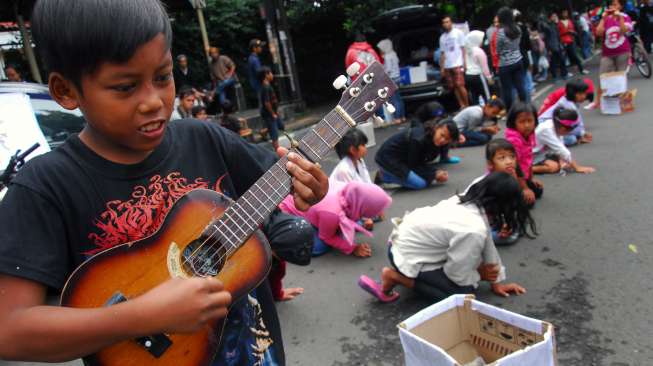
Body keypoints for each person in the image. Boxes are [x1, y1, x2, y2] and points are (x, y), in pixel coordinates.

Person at [0, 1, 329, 365]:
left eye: (163, 77)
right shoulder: (46, 186)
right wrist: (142, 316)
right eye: (125, 87)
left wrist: (311, 186)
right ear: (65, 91)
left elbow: (285, 178)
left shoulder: (206, 139)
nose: (153, 102)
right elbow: (10, 330)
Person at [358, 172, 533, 303]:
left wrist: (497, 281)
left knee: (467, 274)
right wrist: (479, 274)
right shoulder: (472, 228)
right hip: (405, 254)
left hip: (402, 243)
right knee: (463, 294)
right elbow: (457, 275)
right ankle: (395, 277)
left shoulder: (467, 201)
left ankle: (410, 275)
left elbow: (488, 243)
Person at [279, 182, 392, 258]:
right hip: (287, 213)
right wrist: (352, 248)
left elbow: (348, 215)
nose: (377, 213)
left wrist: (359, 222)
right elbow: (326, 237)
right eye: (374, 210)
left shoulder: (347, 191)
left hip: (314, 210)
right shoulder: (333, 213)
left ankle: (325, 225)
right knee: (320, 246)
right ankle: (281, 245)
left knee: (343, 227)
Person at [374, 119, 459, 190]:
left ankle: (388, 174)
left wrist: (435, 172)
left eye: (447, 139)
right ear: (436, 128)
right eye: (442, 135)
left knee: (427, 179)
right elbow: (414, 165)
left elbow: (420, 161)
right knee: (420, 184)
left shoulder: (434, 139)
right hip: (388, 158)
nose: (442, 140)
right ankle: (383, 176)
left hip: (404, 159)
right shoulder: (419, 140)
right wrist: (434, 174)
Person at [533, 107, 596, 175]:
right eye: (569, 131)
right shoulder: (546, 130)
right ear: (563, 128)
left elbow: (560, 144)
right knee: (554, 167)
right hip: (530, 154)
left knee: (564, 162)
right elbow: (560, 149)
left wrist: (562, 160)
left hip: (540, 152)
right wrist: (577, 167)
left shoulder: (555, 125)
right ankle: (525, 170)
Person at [595, 0, 633, 109]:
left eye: (615, 4)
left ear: (620, 6)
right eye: (611, 4)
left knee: (620, 77)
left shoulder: (625, 17)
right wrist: (603, 18)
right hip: (607, 53)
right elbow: (598, 32)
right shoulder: (606, 18)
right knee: (602, 76)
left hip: (622, 51)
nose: (613, 6)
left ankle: (622, 101)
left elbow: (624, 30)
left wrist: (619, 17)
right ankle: (597, 101)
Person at [504, 102, 544, 205]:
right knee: (527, 202)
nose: (527, 125)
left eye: (530, 121)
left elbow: (529, 159)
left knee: (538, 190)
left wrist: (531, 179)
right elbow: (515, 166)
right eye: (522, 122)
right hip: (509, 177)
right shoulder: (514, 140)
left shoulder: (529, 134)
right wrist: (525, 188)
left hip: (521, 175)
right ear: (513, 123)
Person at [538, 79, 593, 145]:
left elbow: (578, 123)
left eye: (584, 93)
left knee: (571, 135)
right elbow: (575, 125)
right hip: (545, 127)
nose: (584, 96)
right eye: (580, 94)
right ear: (572, 93)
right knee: (571, 139)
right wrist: (582, 133)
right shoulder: (569, 105)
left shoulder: (569, 100)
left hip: (551, 126)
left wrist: (582, 133)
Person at [496, 7, 528, 110]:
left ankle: (510, 110)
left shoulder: (500, 33)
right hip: (518, 60)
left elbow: (498, 50)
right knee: (520, 86)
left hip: (505, 65)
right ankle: (525, 105)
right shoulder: (518, 29)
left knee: (507, 89)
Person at [440, 16, 469, 109]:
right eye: (444, 22)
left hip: (458, 63)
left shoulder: (458, 33)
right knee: (454, 87)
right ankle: (462, 105)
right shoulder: (442, 37)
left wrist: (465, 62)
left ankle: (467, 104)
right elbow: (443, 53)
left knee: (460, 85)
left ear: (451, 22)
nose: (446, 24)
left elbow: (463, 48)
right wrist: (442, 68)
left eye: (447, 22)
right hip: (448, 65)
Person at [377, 38, 405, 123]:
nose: (380, 50)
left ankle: (397, 118)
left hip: (391, 79)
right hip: (397, 78)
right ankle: (402, 116)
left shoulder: (388, 56)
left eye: (381, 48)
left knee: (394, 100)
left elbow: (388, 69)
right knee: (399, 99)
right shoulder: (393, 54)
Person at [258, 66, 285, 150]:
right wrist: (273, 114)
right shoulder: (266, 87)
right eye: (271, 73)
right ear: (266, 75)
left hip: (273, 113)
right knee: (274, 135)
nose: (272, 75)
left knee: (281, 126)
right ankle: (279, 153)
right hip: (269, 114)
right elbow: (267, 103)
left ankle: (264, 132)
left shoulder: (268, 86)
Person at [464, 30, 493, 105]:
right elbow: (484, 66)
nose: (482, 41)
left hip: (468, 76)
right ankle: (489, 110)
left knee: (474, 96)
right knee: (486, 96)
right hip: (478, 75)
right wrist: (489, 78)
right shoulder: (479, 51)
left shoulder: (466, 50)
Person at [559, 9, 589, 75]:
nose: (565, 14)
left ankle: (581, 69)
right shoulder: (559, 23)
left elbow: (573, 30)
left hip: (570, 41)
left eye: (566, 13)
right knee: (563, 58)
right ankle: (565, 73)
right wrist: (567, 32)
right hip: (563, 42)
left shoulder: (570, 21)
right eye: (564, 13)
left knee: (575, 56)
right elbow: (558, 33)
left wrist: (573, 32)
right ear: (561, 14)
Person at [542, 13, 569, 80]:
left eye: (556, 16)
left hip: (558, 46)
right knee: (553, 62)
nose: (555, 17)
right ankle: (555, 76)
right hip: (551, 47)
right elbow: (546, 39)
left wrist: (561, 44)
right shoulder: (546, 26)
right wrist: (548, 49)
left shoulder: (555, 25)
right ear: (550, 18)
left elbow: (558, 36)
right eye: (554, 16)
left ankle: (564, 74)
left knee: (562, 60)